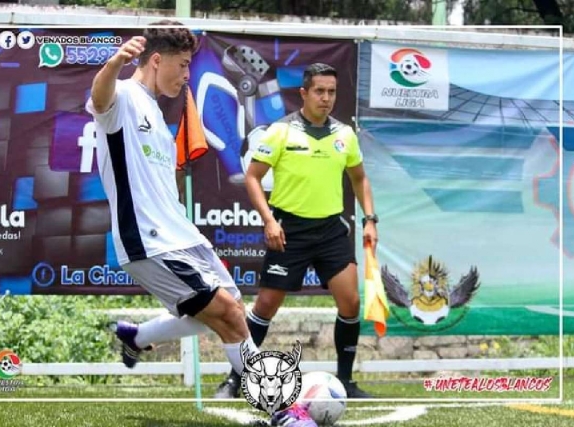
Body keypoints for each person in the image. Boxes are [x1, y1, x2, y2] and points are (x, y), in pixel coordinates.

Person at [85, 21, 261, 383]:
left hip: (182, 235)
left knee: (232, 309)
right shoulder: (124, 97)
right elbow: (100, 98)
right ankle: (278, 406)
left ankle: (138, 336)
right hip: (149, 240)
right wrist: (115, 61)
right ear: (154, 61)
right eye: (182, 65)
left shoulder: (157, 113)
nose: (186, 75)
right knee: (227, 314)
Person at [214, 63, 378, 400]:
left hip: (332, 230)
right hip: (290, 230)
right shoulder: (280, 131)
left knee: (351, 303)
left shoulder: (344, 134)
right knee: (265, 307)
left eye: (332, 91)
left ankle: (345, 381)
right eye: (319, 91)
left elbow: (360, 178)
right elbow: (253, 177)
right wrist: (269, 221)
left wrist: (370, 219)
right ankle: (235, 378)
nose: (326, 98)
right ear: (304, 93)